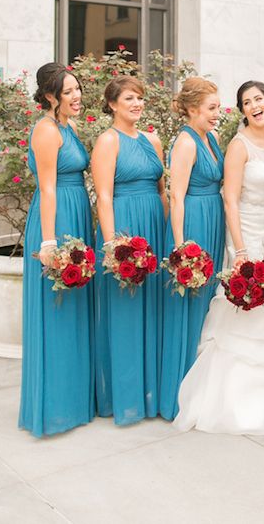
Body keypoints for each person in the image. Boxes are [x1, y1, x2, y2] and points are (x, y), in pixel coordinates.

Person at [173, 81, 264, 434]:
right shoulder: (238, 146)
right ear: (242, 111)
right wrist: (239, 249)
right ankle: (236, 402)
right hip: (247, 233)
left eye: (258, 99)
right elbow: (230, 200)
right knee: (246, 306)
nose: (253, 106)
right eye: (245, 102)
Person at [19, 63, 94, 436]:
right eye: (69, 92)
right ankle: (53, 408)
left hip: (77, 213)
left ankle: (75, 401)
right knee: (56, 308)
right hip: (57, 220)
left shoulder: (69, 126)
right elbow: (47, 188)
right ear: (50, 97)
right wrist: (49, 242)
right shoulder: (46, 131)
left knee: (76, 308)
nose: (77, 96)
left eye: (77, 88)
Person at [92, 75, 168, 425]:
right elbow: (104, 196)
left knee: (151, 309)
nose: (136, 104)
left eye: (139, 98)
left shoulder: (153, 139)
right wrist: (112, 246)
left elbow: (162, 190)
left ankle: (149, 391)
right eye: (128, 99)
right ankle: (125, 397)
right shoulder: (108, 141)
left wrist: (166, 235)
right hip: (124, 227)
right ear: (112, 105)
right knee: (125, 311)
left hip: (153, 227)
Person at [159, 77, 225, 421]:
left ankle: (202, 386)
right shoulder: (185, 142)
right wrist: (182, 245)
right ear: (192, 109)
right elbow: (177, 195)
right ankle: (179, 392)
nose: (218, 113)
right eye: (212, 108)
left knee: (207, 304)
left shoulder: (210, 138)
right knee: (190, 303)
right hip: (196, 224)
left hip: (214, 218)